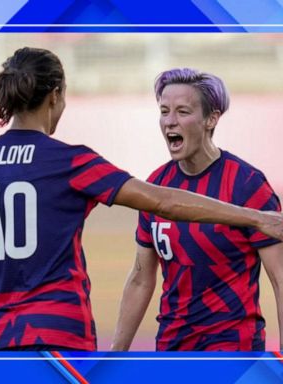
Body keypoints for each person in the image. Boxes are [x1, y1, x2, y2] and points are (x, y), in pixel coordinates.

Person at [0, 51, 283, 352]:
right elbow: (161, 203)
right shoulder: (71, 161)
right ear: (54, 96)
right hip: (64, 332)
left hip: (1, 335)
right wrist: (254, 218)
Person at [111, 68, 283, 352]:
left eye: (182, 111)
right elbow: (141, 278)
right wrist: (115, 355)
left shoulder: (247, 184)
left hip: (234, 349)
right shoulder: (156, 186)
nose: (170, 122)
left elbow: (279, 277)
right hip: (172, 347)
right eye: (164, 111)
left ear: (211, 119)